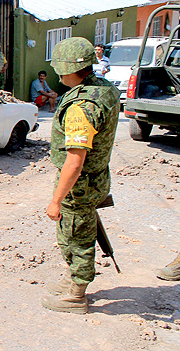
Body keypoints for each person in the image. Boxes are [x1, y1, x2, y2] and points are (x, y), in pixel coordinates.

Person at [41, 37, 120, 314]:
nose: (58, 73)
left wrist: (56, 200)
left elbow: (75, 161)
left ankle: (77, 294)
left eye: (61, 68)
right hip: (96, 177)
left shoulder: (80, 108)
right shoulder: (103, 89)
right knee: (76, 232)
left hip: (80, 185)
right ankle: (72, 278)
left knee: (77, 237)